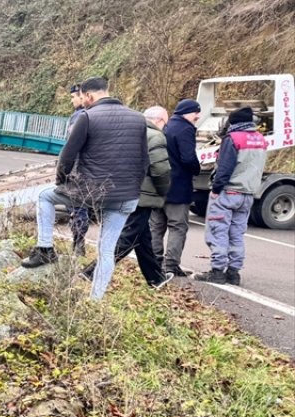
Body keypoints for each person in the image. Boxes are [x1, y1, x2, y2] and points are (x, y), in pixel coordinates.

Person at [20, 77, 148, 301]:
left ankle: (45, 249)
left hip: (91, 192)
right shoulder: (138, 119)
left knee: (45, 197)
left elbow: (67, 157)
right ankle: (95, 300)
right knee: (106, 250)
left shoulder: (87, 117)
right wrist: (133, 189)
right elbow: (144, 161)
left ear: (88, 96)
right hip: (126, 196)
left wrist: (62, 182)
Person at [81, 106, 173, 289]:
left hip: (120, 189)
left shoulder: (127, 132)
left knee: (142, 237)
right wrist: (164, 190)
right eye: (166, 123)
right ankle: (91, 272)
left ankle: (156, 278)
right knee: (128, 237)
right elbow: (161, 169)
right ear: (160, 121)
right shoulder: (155, 136)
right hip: (142, 195)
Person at [193, 107, 266, 285]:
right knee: (237, 234)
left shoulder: (233, 139)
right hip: (247, 194)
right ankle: (234, 273)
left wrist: (216, 189)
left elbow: (225, 168)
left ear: (233, 121)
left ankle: (217, 271)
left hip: (228, 192)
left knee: (218, 231)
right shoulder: (260, 139)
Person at [159, 99, 203, 277]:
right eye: (195, 113)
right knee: (177, 226)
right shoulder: (185, 129)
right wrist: (197, 169)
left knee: (157, 226)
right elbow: (188, 158)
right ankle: (171, 264)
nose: (197, 116)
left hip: (160, 186)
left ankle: (155, 260)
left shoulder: (166, 127)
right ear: (186, 113)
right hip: (178, 186)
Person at [65, 84, 95, 256]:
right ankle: (78, 243)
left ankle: (78, 245)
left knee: (78, 208)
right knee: (81, 207)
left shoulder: (80, 117)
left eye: (73, 97)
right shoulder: (88, 115)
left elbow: (72, 146)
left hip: (78, 170)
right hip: (87, 170)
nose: (73, 100)